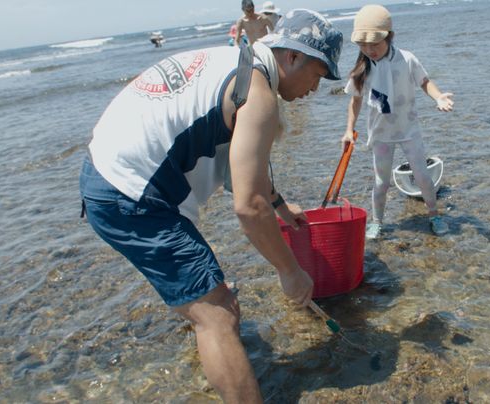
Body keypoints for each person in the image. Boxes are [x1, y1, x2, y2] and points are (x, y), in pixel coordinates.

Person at [79, 9, 343, 402]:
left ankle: (198, 318)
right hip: (131, 193)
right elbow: (248, 206)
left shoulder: (236, 60)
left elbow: (245, 173)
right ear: (292, 56)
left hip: (107, 173)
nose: (315, 89)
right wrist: (290, 271)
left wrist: (282, 207)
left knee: (205, 291)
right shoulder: (258, 94)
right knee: (220, 312)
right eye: (318, 75)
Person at [340, 4, 453, 239]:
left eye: (375, 44)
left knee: (422, 175)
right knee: (381, 182)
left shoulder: (407, 59)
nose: (369, 50)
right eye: (363, 44)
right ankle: (377, 221)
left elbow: (424, 82)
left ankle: (433, 214)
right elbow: (355, 101)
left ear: (389, 36)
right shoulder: (362, 69)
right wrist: (349, 129)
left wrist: (438, 96)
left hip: (408, 129)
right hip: (381, 133)